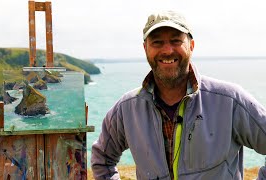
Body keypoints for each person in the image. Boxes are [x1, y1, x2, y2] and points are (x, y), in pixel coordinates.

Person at [91, 10, 266, 180]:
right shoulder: (126, 109)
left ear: (191, 46)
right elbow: (102, 159)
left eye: (176, 41)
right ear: (145, 48)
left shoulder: (230, 101)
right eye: (157, 42)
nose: (167, 50)